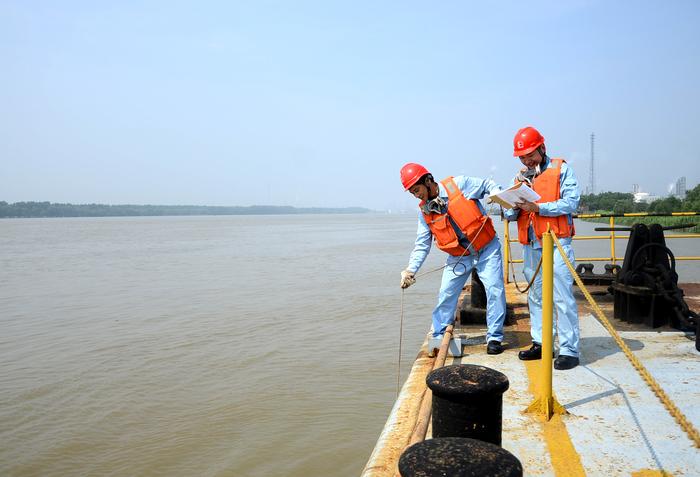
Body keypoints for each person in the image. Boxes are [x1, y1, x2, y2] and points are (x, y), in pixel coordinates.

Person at [399, 163, 507, 354]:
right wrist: (410, 270)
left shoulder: (459, 184)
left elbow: (486, 185)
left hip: (486, 249)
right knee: (446, 294)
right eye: (412, 193)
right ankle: (439, 336)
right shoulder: (425, 212)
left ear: (428, 180)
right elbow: (422, 244)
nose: (416, 195)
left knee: (494, 290)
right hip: (459, 257)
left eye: (417, 190)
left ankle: (494, 338)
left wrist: (495, 193)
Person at [503, 126, 581, 370]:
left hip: (557, 242)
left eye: (531, 155)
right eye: (523, 157)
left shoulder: (562, 170)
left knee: (562, 296)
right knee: (536, 296)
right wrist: (513, 206)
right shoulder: (518, 180)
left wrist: (540, 209)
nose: (527, 160)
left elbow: (571, 202)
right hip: (532, 245)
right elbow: (507, 212)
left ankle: (569, 349)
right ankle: (541, 342)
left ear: (542, 149)